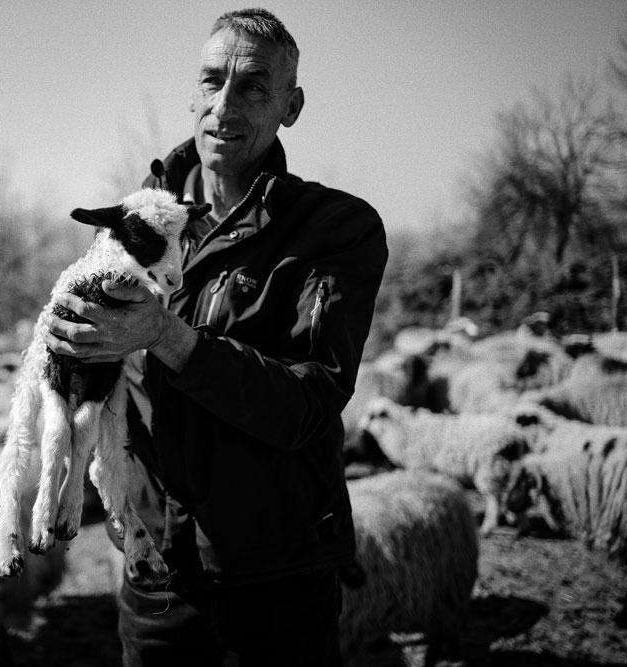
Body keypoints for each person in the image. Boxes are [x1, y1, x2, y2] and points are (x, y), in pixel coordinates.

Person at [44, 8, 388, 666]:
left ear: (292, 107)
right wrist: (70, 342)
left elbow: (308, 401)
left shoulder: (335, 229)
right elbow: (99, 379)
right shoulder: (133, 220)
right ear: (191, 93)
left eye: (254, 87)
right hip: (155, 573)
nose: (224, 105)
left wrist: (167, 335)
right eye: (211, 81)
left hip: (276, 574)